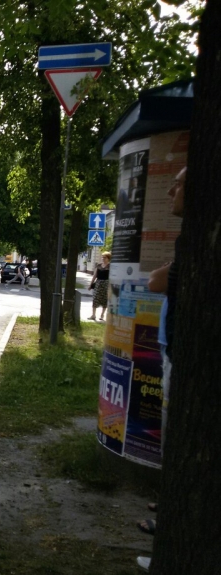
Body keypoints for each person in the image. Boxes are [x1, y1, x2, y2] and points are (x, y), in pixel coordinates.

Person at [136, 165, 185, 544]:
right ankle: (170, 502)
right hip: (172, 345)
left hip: (181, 351)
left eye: (178, 186)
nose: (171, 193)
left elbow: (156, 280)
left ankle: (175, 519)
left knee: (178, 435)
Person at [89, 251, 111, 320]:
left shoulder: (110, 266)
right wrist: (91, 284)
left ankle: (102, 315)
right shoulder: (99, 265)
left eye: (104, 257)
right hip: (98, 283)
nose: (103, 258)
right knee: (95, 298)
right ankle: (93, 315)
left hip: (106, 284)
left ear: (108, 258)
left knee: (104, 299)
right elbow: (95, 275)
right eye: (102, 257)